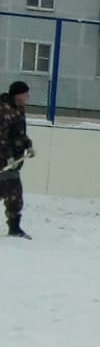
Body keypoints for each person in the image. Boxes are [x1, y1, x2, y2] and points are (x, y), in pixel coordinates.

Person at [0, 80, 34, 239]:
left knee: (5, 191)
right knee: (14, 192)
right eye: (26, 93)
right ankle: (14, 229)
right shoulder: (3, 110)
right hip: (5, 161)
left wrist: (28, 145)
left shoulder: (19, 109)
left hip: (14, 160)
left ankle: (14, 227)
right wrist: (8, 157)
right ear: (18, 94)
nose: (28, 96)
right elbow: (3, 138)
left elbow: (20, 132)